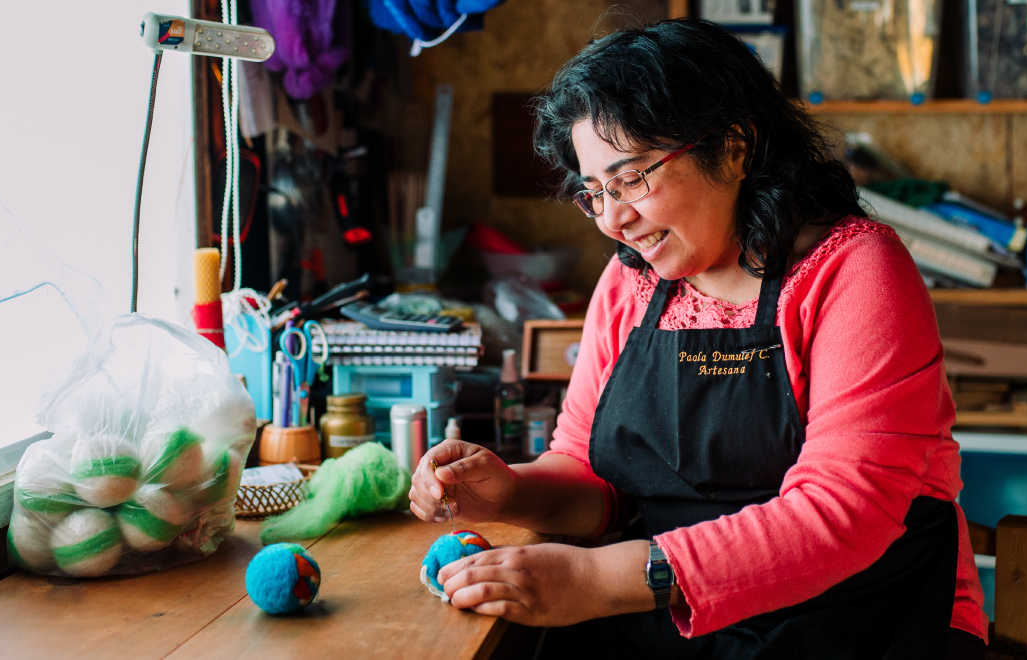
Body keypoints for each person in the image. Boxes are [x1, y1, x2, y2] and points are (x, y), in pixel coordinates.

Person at [409, 18, 988, 660]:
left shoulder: (853, 270)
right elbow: (593, 478)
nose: (612, 219)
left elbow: (844, 513)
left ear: (734, 148)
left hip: (861, 619)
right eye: (593, 193)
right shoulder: (630, 282)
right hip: (665, 612)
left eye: (631, 180)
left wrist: (596, 579)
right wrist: (512, 491)